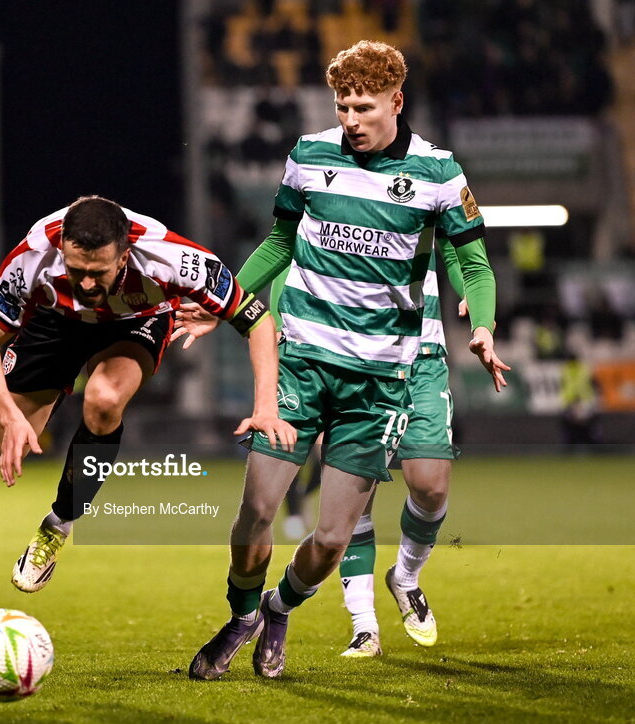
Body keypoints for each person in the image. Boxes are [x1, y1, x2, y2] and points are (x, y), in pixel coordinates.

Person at [181, 40, 509, 680]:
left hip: (377, 383)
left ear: (396, 101)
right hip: (300, 364)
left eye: (363, 107)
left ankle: (280, 606)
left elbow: (472, 261)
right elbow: (279, 241)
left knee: (331, 540)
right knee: (257, 511)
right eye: (342, 106)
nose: (351, 119)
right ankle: (243, 613)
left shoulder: (440, 174)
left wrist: (485, 324)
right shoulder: (307, 156)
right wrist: (225, 305)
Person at [0, 195, 296, 594]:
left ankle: (58, 524)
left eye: (98, 272)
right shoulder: (33, 257)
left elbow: (257, 320)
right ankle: (48, 387)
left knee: (104, 399)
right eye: (76, 270)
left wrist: (265, 406)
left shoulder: (173, 258)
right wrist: (10, 412)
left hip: (134, 321)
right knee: (1, 439)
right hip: (57, 320)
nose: (87, 283)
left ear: (124, 257)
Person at [337, 248, 471, 658]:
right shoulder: (333, 185)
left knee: (431, 487)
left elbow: (464, 252)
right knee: (351, 498)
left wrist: (479, 307)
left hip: (422, 357)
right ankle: (364, 626)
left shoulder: (428, 183)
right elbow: (288, 245)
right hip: (353, 356)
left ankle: (406, 578)